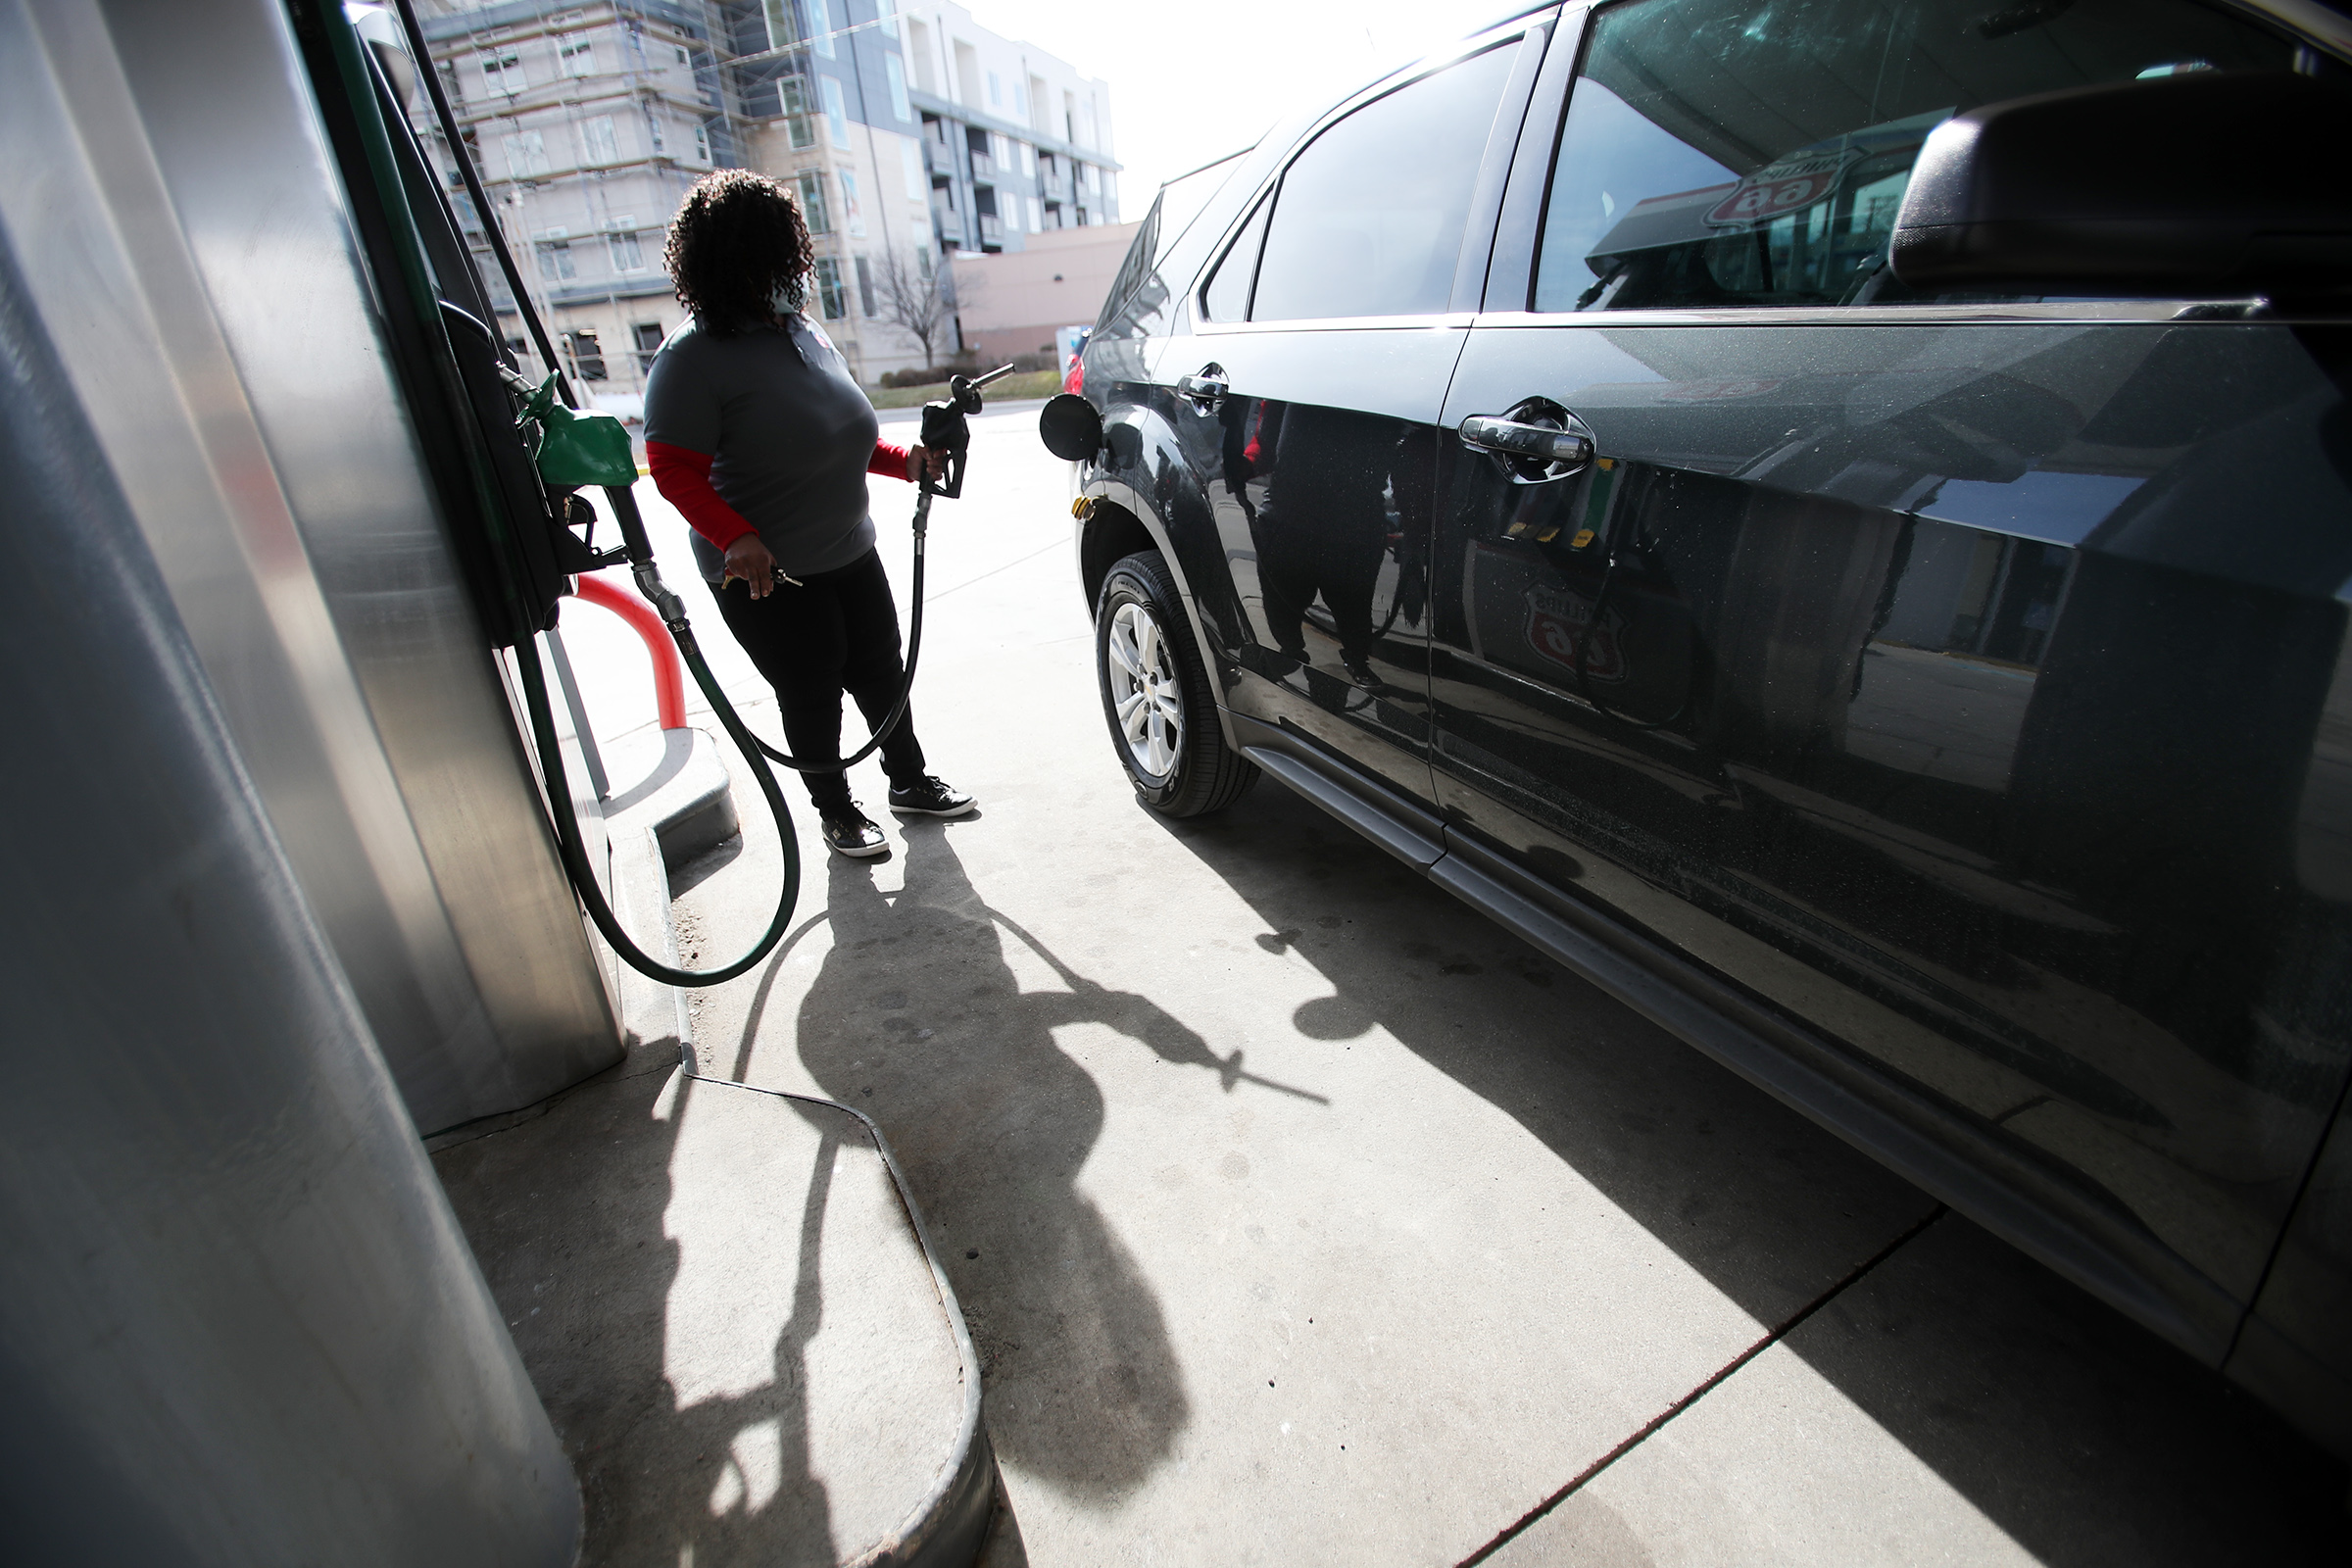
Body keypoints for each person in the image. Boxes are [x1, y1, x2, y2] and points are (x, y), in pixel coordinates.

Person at [644, 170, 974, 858]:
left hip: (849, 544)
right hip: (769, 571)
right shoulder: (691, 359)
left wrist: (903, 460)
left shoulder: (802, 331)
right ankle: (836, 811)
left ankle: (908, 781)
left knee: (883, 670)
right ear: (739, 264)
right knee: (813, 687)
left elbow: (838, 433)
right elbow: (673, 468)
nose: (794, 271)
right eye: (778, 257)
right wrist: (736, 536)